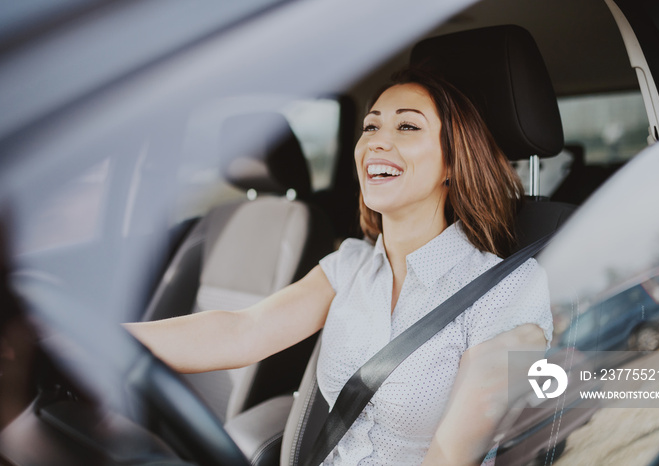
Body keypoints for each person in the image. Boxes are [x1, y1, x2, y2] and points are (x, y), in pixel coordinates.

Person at [126, 69, 552, 466]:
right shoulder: (349, 265)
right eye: (371, 126)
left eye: (406, 126)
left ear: (453, 162)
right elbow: (242, 330)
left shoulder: (509, 291)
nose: (376, 142)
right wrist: (101, 343)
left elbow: (452, 453)